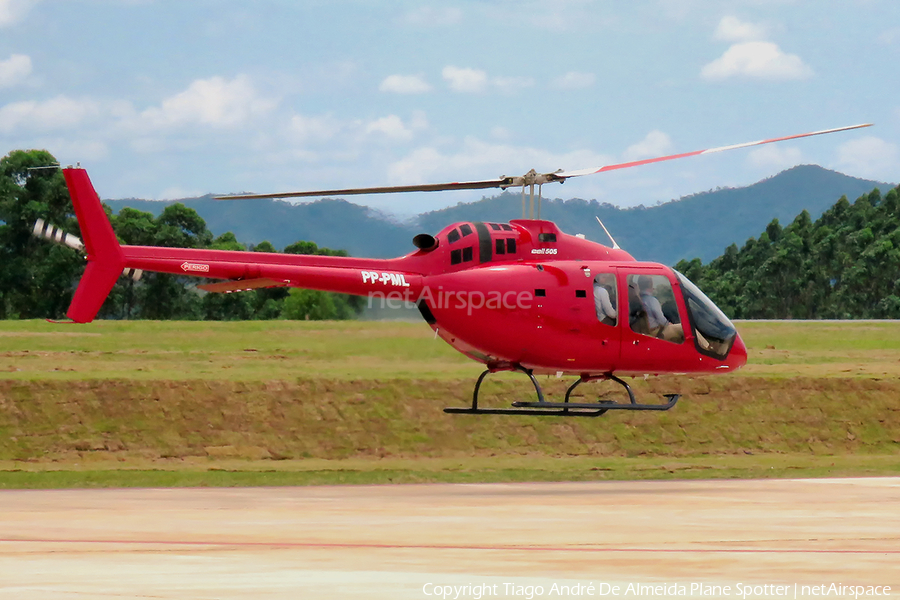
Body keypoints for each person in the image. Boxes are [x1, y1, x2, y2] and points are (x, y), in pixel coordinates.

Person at [637, 275, 683, 342]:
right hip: (655, 332)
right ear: (651, 284)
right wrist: (670, 324)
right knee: (682, 329)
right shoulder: (651, 300)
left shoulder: (638, 300)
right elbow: (661, 319)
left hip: (644, 332)